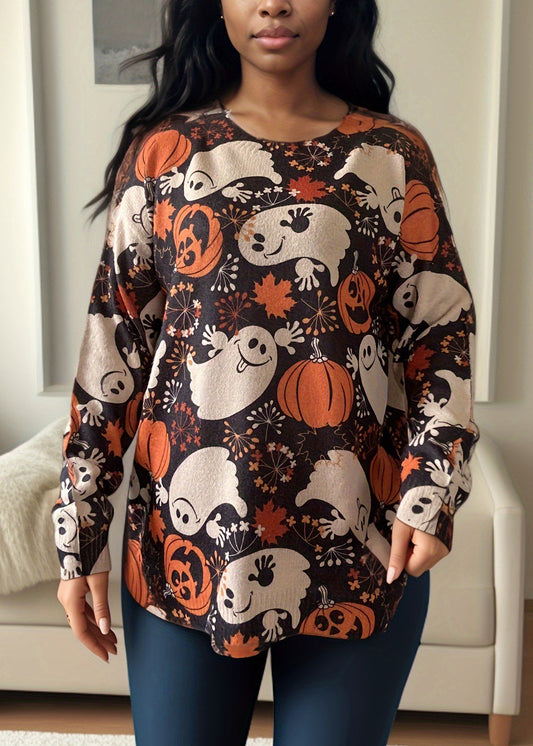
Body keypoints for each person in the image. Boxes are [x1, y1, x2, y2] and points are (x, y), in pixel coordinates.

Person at [51, 0, 480, 744]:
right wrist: (79, 530)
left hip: (362, 543)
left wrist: (431, 491)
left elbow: (441, 334)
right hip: (185, 543)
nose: (274, 2)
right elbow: (113, 347)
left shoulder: (390, 154)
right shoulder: (165, 155)